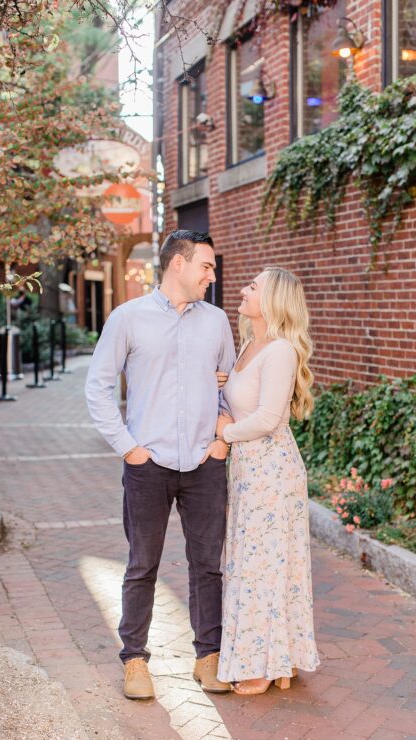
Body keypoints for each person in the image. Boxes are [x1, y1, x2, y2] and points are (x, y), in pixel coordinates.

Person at [85, 230, 235, 700]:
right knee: (142, 564)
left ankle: (208, 656)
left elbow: (228, 387)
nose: (212, 275)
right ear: (178, 265)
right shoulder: (128, 318)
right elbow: (98, 386)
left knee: (208, 564)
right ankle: (134, 661)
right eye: (206, 266)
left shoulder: (216, 322)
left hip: (204, 463)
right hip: (147, 464)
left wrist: (221, 439)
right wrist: (128, 447)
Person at [214, 267, 320, 694]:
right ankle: (281, 660)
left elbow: (268, 418)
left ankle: (264, 663)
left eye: (253, 287)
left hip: (272, 471)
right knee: (260, 563)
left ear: (273, 299)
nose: (243, 289)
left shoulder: (279, 350)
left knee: (264, 567)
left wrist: (224, 433)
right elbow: (244, 400)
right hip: (247, 469)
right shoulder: (249, 345)